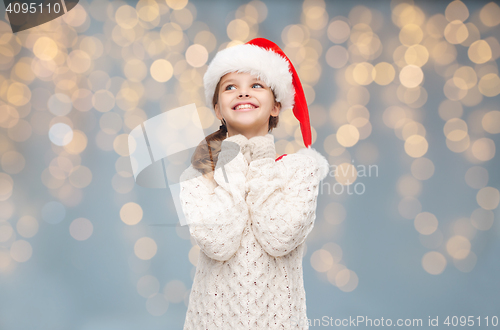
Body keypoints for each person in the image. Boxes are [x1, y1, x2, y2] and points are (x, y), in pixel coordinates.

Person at [179, 38, 329, 330]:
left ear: (276, 106)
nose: (243, 91)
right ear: (218, 110)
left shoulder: (301, 170)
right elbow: (219, 243)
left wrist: (260, 158)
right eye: (230, 86)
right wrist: (232, 158)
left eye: (257, 85)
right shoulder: (198, 176)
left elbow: (279, 237)